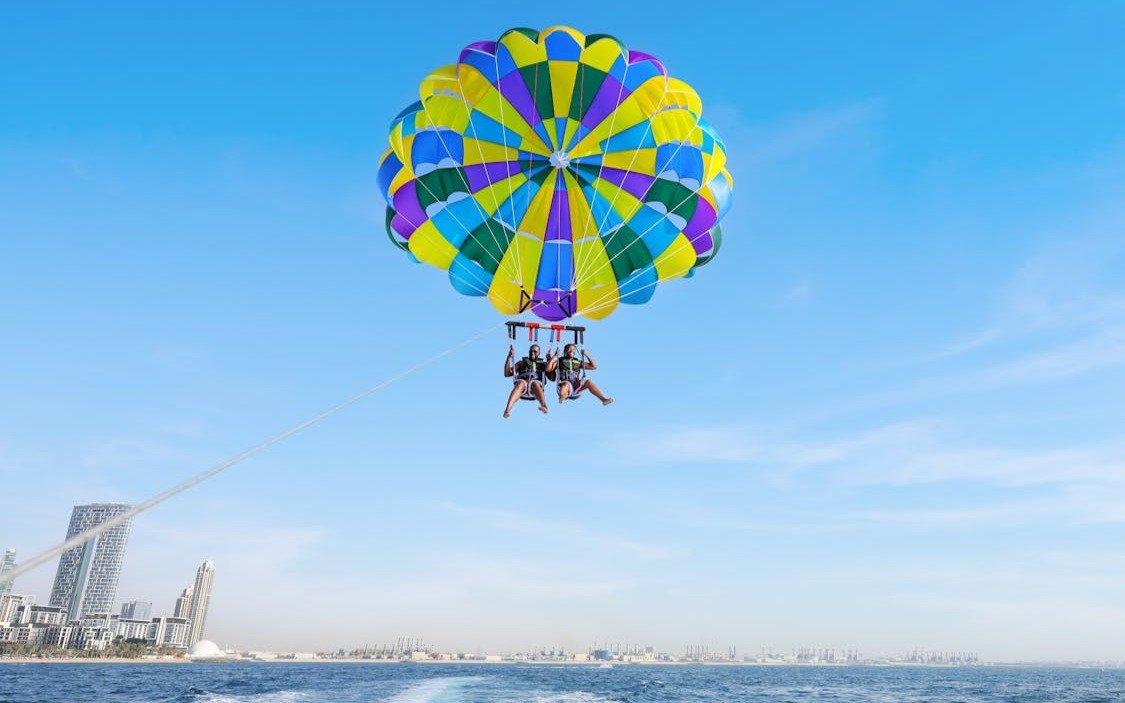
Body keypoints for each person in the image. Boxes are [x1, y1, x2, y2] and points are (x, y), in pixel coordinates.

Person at [546, 343, 613, 406]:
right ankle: (562, 397)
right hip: (563, 387)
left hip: (576, 388)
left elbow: (594, 366)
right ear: (565, 351)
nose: (572, 351)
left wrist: (586, 354)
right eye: (570, 349)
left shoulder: (577, 362)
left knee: (588, 381)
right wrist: (554, 356)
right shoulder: (560, 361)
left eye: (573, 349)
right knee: (566, 384)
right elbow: (548, 369)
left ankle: (603, 399)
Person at [503, 344, 550, 418]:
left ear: (539, 353)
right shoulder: (521, 363)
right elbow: (507, 373)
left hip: (535, 387)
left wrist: (550, 360)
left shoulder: (543, 364)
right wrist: (509, 357)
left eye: (535, 352)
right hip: (523, 386)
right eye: (531, 351)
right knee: (521, 383)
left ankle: (544, 406)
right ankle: (507, 410)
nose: (532, 353)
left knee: (534, 383)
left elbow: (552, 378)